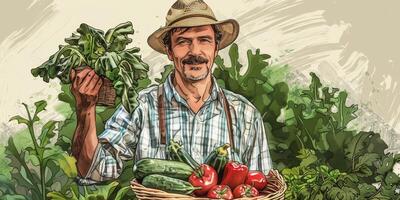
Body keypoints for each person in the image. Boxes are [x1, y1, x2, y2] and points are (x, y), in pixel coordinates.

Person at [70, 0, 272, 183]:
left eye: (204, 40)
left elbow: (261, 186)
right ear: (169, 51)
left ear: (216, 48)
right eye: (183, 41)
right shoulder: (141, 105)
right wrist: (85, 110)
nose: (194, 52)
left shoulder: (245, 114)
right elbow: (94, 170)